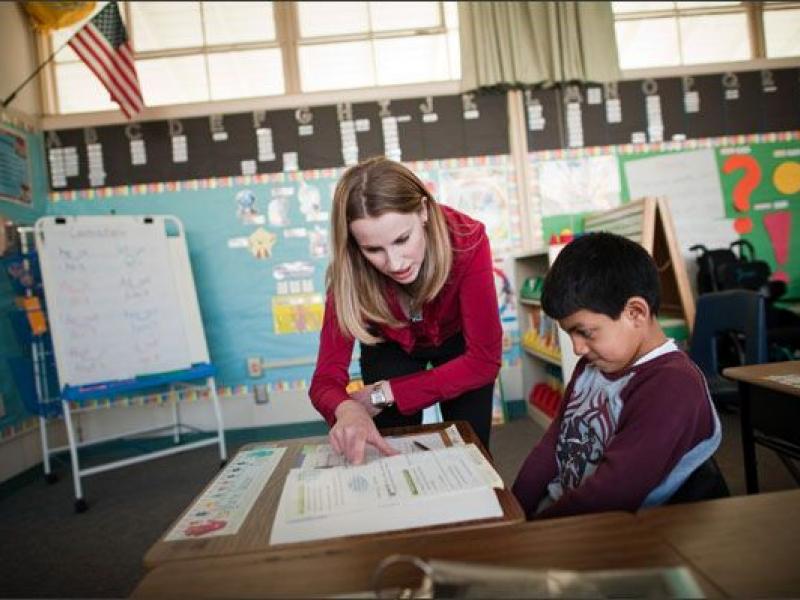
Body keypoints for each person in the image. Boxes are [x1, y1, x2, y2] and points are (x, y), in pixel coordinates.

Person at [512, 232, 721, 520]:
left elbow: (612, 495)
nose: (577, 348)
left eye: (585, 332)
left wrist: (534, 528)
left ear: (635, 313)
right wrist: (515, 510)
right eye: (570, 334)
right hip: (563, 514)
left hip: (608, 528)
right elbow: (553, 443)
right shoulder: (592, 365)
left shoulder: (672, 386)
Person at [309, 156, 502, 464]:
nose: (395, 263)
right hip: (389, 345)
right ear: (355, 244)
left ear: (423, 210)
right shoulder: (349, 271)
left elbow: (483, 362)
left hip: (460, 348)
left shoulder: (468, 240)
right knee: (388, 449)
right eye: (373, 249)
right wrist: (346, 409)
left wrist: (385, 393)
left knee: (472, 448)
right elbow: (324, 380)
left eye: (402, 239)